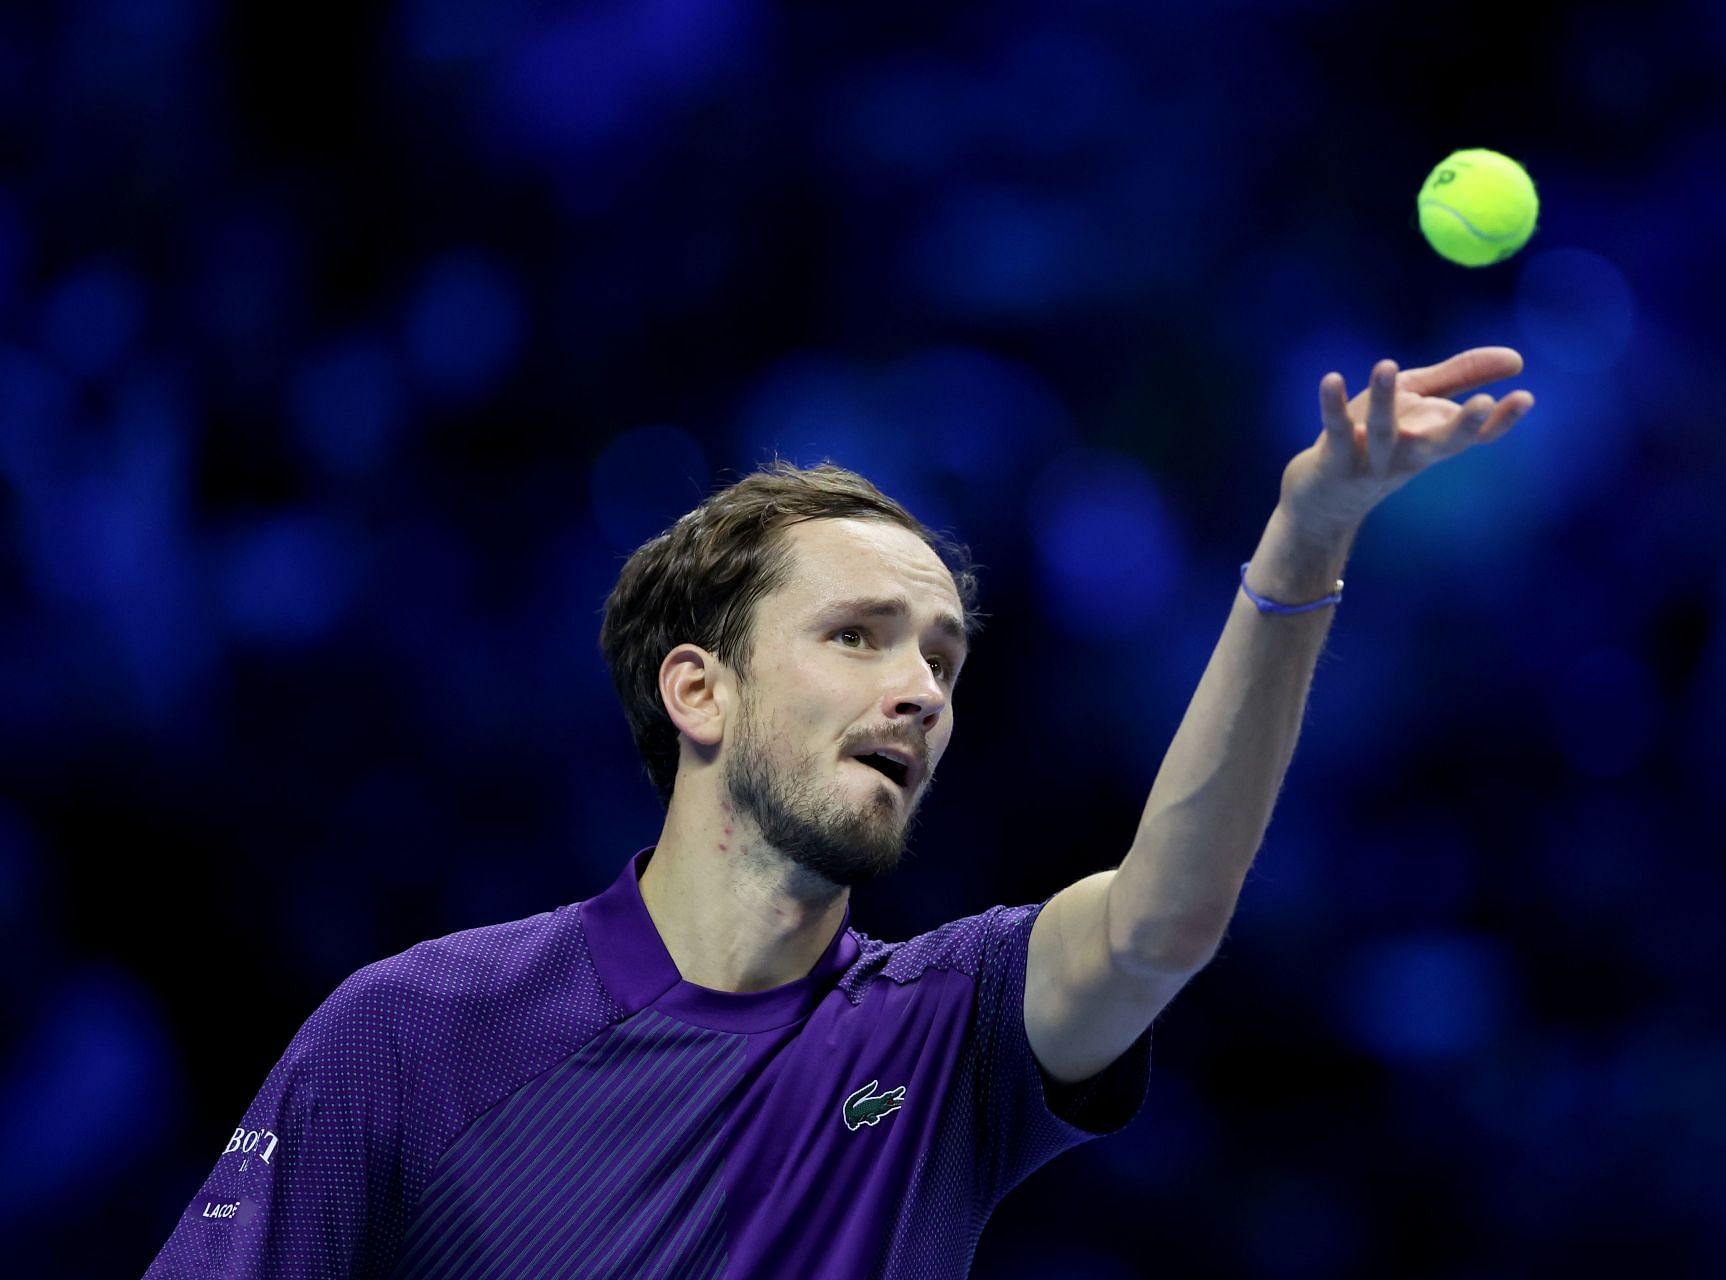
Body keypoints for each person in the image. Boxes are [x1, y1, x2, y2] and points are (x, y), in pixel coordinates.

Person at [143, 349, 1532, 1278]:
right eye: (859, 636)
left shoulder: (949, 1028)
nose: (920, 687)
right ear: (702, 691)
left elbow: (1164, 923)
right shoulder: (413, 1029)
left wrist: (1302, 544)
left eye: (941, 654)